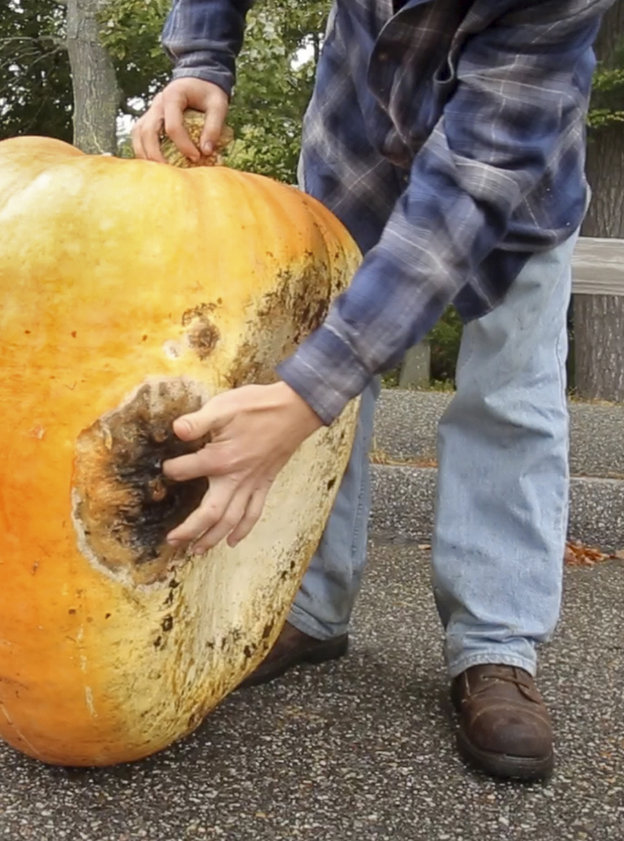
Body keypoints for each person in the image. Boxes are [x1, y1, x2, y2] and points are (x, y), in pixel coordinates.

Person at [132, 0, 613, 782]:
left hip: (508, 188)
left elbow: (458, 205)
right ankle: (308, 605)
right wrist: (199, 60)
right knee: (314, 375)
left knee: (510, 396)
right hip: (352, 160)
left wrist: (300, 401)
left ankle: (496, 643)